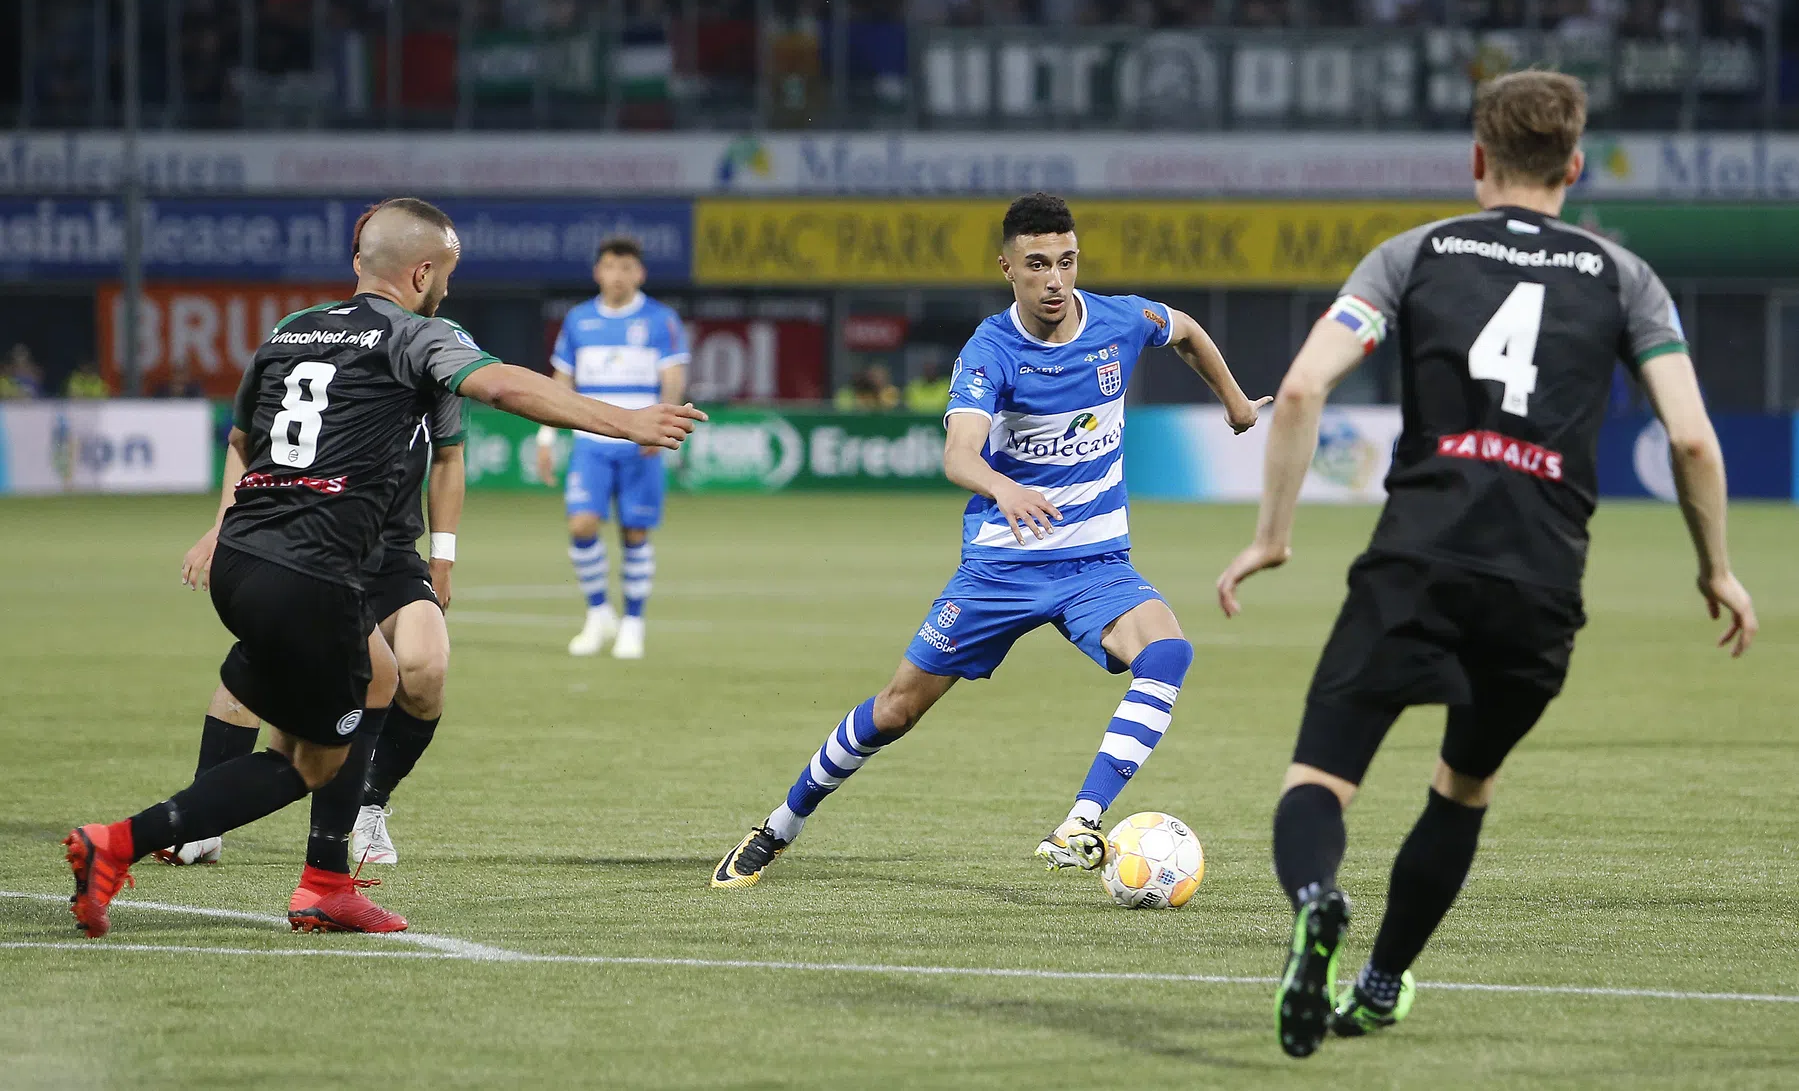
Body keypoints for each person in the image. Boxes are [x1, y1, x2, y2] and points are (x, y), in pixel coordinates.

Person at [1212, 71, 1758, 1059]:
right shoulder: (1623, 277)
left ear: (1475, 162)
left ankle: (1314, 898)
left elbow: (1296, 390)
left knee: (1318, 778)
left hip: (1414, 554)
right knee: (1463, 784)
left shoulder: (1408, 255)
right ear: (1574, 166)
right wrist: (1712, 566)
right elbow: (1690, 441)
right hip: (1537, 576)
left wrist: (1269, 536)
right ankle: (1377, 982)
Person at [63, 197, 704, 939]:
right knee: (309, 759)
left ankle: (324, 882)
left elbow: (243, 439)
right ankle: (122, 843)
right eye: (447, 277)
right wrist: (624, 421)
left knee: (380, 675)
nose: (448, 291)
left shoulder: (289, 332)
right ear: (423, 272)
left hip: (245, 554)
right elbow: (503, 384)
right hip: (313, 566)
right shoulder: (415, 336)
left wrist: (218, 527)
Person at [713, 192, 1269, 889]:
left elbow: (1183, 328)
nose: (1054, 280)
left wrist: (1236, 401)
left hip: (1095, 564)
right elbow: (958, 455)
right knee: (895, 709)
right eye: (1037, 264)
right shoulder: (990, 350)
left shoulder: (1119, 319)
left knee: (1168, 650)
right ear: (1006, 266)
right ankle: (778, 825)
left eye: (1065, 261)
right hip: (1000, 570)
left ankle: (1080, 821)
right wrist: (1002, 488)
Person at [163, 206, 469, 893]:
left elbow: (448, 454)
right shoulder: (303, 334)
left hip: (388, 546)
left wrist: (442, 555)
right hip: (313, 535)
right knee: (269, 673)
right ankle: (204, 818)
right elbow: (251, 442)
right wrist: (224, 525)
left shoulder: (431, 341)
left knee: (423, 668)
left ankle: (366, 805)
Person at [537, 237, 689, 661]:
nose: (617, 275)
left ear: (639, 274)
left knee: (635, 533)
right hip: (591, 442)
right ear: (597, 272)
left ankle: (634, 623)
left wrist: (663, 424)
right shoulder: (579, 320)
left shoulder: (661, 319)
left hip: (640, 442)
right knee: (582, 526)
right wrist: (546, 436)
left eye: (626, 268)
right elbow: (560, 381)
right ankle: (599, 612)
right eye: (609, 266)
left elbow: (673, 375)